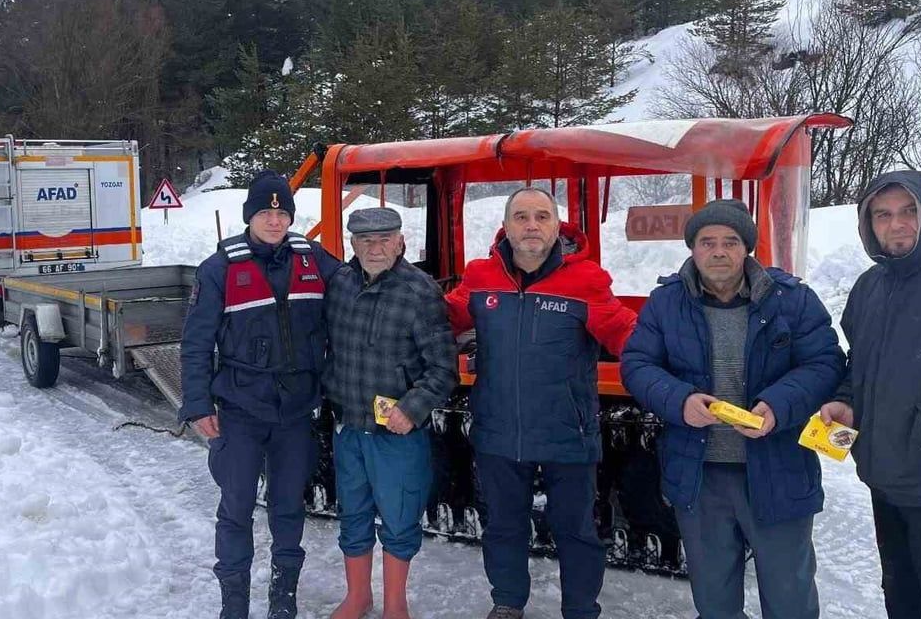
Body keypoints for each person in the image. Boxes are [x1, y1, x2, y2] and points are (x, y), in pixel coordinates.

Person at [620, 199, 844, 619]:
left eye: (730, 241)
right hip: (700, 474)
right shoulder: (667, 303)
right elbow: (637, 364)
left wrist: (779, 405)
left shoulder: (792, 300)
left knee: (789, 594)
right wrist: (680, 400)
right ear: (692, 248)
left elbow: (825, 363)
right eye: (707, 242)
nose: (718, 251)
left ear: (747, 249)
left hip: (778, 469)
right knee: (715, 597)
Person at [445, 187, 637, 619]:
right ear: (507, 226)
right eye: (521, 217)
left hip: (566, 432)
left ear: (556, 225)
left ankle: (581, 609)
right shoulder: (480, 277)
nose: (531, 225)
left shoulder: (585, 280)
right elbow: (439, 316)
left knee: (577, 530)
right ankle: (508, 602)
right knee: (502, 525)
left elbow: (628, 333)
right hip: (498, 431)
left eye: (541, 216)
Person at [178, 170, 342, 619]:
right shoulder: (220, 269)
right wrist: (197, 403)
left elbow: (355, 289)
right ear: (250, 215)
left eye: (282, 211)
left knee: (289, 509)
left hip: (294, 413)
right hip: (240, 411)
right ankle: (234, 604)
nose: (274, 220)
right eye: (266, 212)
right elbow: (196, 343)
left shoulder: (312, 259)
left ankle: (282, 600)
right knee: (236, 508)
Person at [819, 171, 921, 619]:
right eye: (883, 214)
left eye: (910, 211)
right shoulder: (870, 287)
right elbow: (861, 366)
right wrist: (846, 400)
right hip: (886, 485)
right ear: (868, 224)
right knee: (902, 602)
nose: (898, 224)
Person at [323, 207, 458, 619]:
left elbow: (443, 368)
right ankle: (358, 597)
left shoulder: (420, 291)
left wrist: (412, 409)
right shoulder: (339, 285)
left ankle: (395, 606)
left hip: (396, 433)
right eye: (365, 240)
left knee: (399, 521)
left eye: (384, 239)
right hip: (350, 430)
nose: (375, 248)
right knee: (353, 515)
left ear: (400, 242)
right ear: (352, 244)